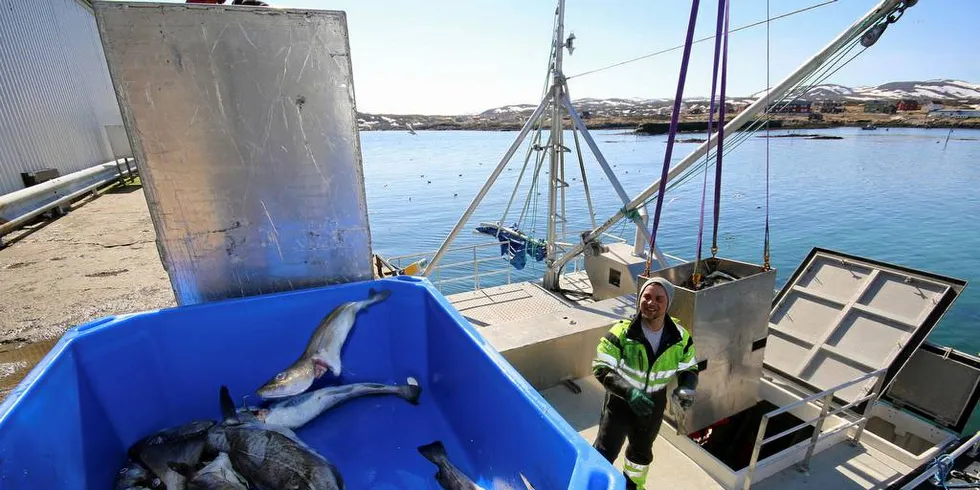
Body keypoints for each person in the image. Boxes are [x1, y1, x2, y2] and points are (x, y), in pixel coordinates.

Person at [591, 276, 699, 489]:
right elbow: (601, 367)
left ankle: (633, 486)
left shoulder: (681, 337)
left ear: (668, 303)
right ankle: (594, 485)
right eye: (646, 297)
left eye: (659, 299)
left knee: (640, 456)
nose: (651, 303)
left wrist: (687, 387)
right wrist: (629, 391)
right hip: (620, 403)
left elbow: (689, 367)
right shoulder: (621, 332)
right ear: (639, 300)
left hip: (652, 406)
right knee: (604, 450)